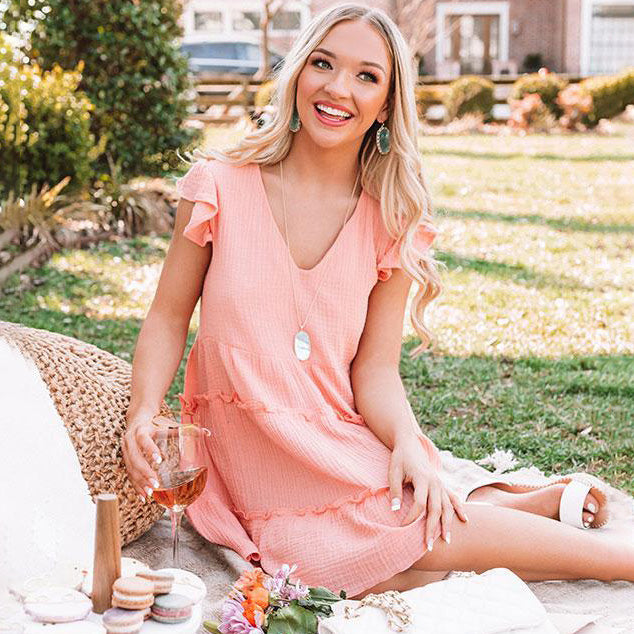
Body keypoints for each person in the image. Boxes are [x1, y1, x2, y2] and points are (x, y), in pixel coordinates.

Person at [122, 4, 634, 600]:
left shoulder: (391, 218)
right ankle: (512, 508)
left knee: (411, 535)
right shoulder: (218, 184)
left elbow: (376, 370)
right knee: (358, 562)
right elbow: (166, 315)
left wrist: (409, 443)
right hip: (249, 453)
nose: (338, 89)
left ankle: (618, 558)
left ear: (388, 104)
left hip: (335, 435)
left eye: (366, 76)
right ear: (297, 73)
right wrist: (144, 410)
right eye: (323, 64)